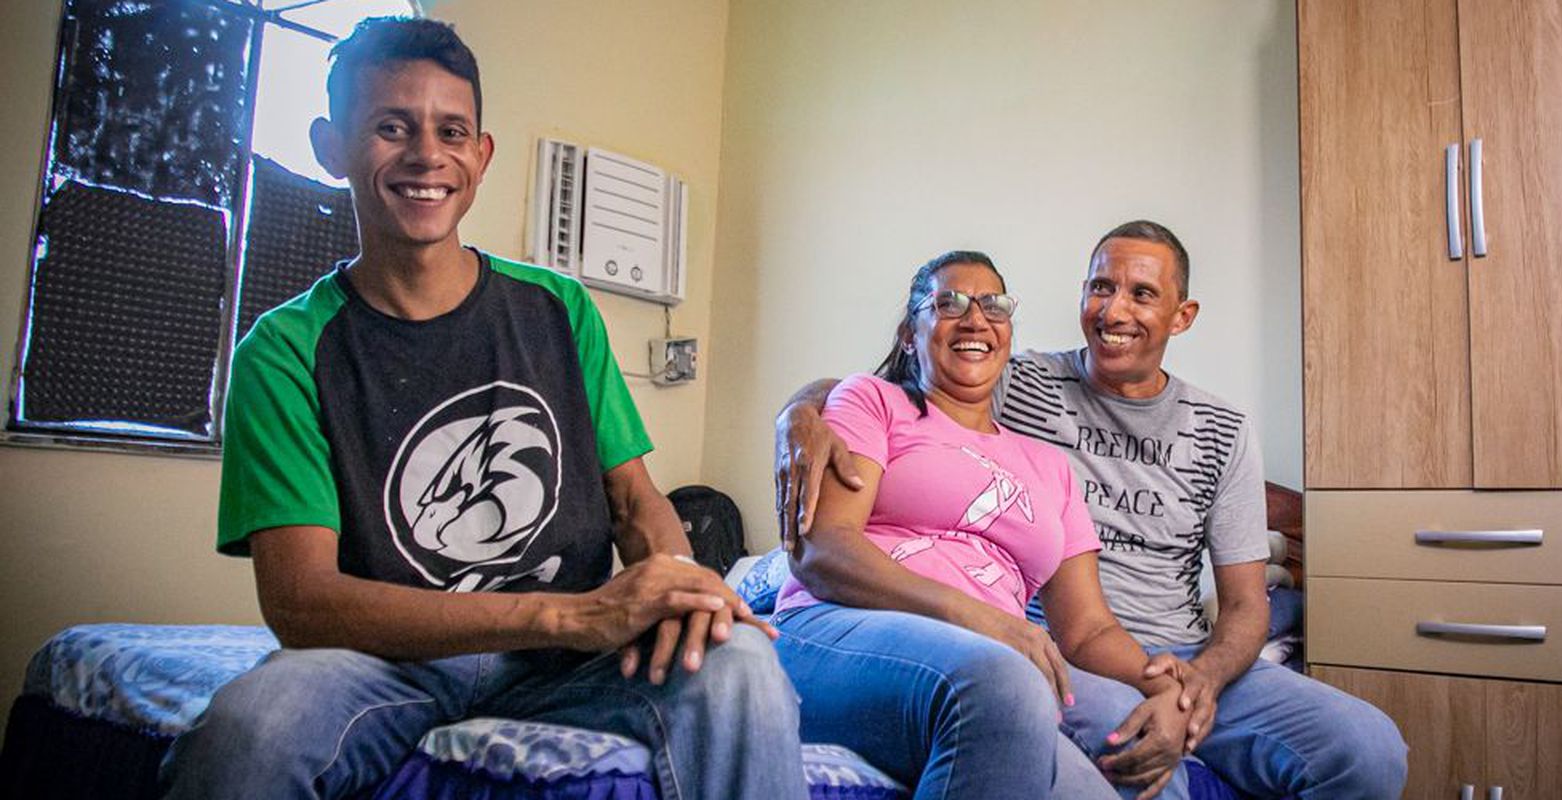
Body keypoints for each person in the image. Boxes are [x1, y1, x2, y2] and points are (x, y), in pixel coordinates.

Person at [159, 18, 805, 800]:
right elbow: (303, 602)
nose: (426, 155)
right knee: (252, 726)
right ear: (331, 147)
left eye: (451, 131)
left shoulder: (559, 308)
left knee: (741, 664)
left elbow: (635, 502)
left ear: (481, 155)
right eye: (391, 127)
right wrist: (565, 616)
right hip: (385, 666)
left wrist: (678, 584)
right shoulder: (283, 349)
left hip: (570, 668)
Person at [776, 222, 1407, 799]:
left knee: (1369, 751)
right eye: (1101, 287)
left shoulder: (1212, 432)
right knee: (1131, 753)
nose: (1114, 310)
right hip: (1029, 641)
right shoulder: (1014, 380)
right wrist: (795, 417)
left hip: (1164, 650)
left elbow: (1242, 606)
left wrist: (1193, 686)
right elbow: (885, 387)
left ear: (1182, 316)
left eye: (1142, 293)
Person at [774, 249, 1196, 800]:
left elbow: (1088, 629)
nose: (975, 319)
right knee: (1003, 682)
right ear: (909, 336)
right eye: (948, 303)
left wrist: (1162, 686)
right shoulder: (872, 401)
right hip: (844, 627)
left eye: (993, 305)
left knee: (1137, 732)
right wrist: (980, 619)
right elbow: (823, 551)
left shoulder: (1049, 467)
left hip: (991, 659)